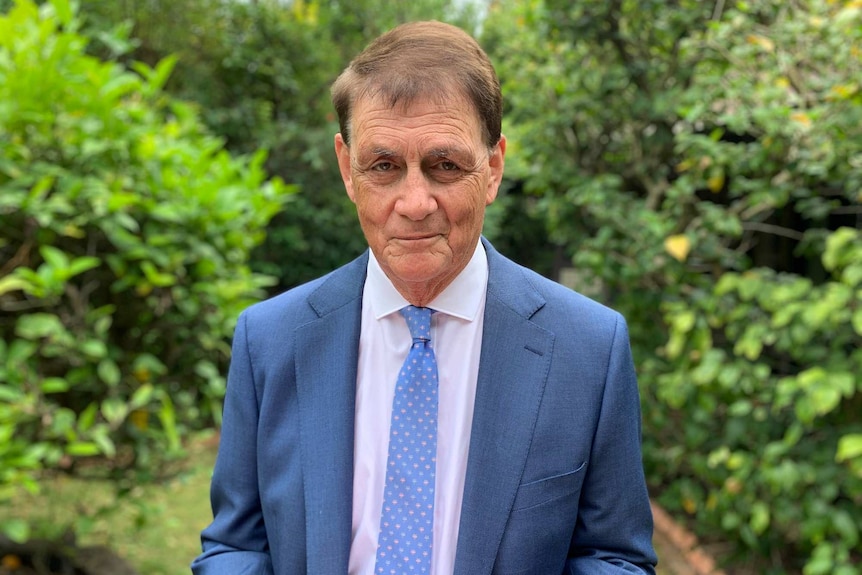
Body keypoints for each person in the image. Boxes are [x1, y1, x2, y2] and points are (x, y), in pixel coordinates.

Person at [191, 20, 657, 575]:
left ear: (493, 168)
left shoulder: (588, 349)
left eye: (445, 165)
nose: (415, 202)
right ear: (347, 168)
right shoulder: (269, 340)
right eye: (384, 166)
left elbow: (612, 557)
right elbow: (236, 546)